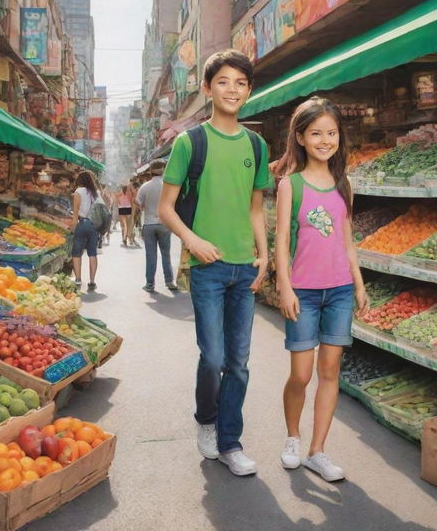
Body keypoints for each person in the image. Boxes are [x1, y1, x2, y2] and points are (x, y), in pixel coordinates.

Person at [159, 49, 272, 477]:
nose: (233, 90)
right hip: (207, 268)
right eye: (223, 81)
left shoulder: (257, 146)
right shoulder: (191, 143)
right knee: (213, 358)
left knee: (239, 362)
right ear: (207, 88)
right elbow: (167, 208)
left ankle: (231, 441)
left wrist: (263, 255)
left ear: (249, 91)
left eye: (241, 83)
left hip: (245, 267)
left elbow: (256, 207)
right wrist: (194, 242)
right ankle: (205, 419)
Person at [273, 96, 370, 482]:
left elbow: (347, 242)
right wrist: (285, 286)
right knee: (301, 373)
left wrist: (359, 285)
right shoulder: (289, 186)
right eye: (316, 133)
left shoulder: (343, 183)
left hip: (341, 291)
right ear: (300, 137)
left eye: (331, 133)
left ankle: (318, 450)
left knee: (330, 372)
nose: (325, 140)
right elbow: (281, 240)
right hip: (305, 292)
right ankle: (293, 437)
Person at [136, 161, 178, 293]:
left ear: (151, 171)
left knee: (151, 255)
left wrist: (145, 207)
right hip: (164, 224)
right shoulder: (167, 186)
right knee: (166, 254)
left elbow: (137, 202)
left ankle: (150, 284)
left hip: (149, 224)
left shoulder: (145, 186)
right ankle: (169, 281)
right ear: (164, 170)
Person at [70, 170, 103, 292]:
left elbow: (75, 216)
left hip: (83, 224)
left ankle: (78, 279)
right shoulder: (97, 193)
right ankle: (92, 281)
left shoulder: (78, 192)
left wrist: (72, 229)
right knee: (92, 253)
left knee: (76, 253)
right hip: (94, 226)